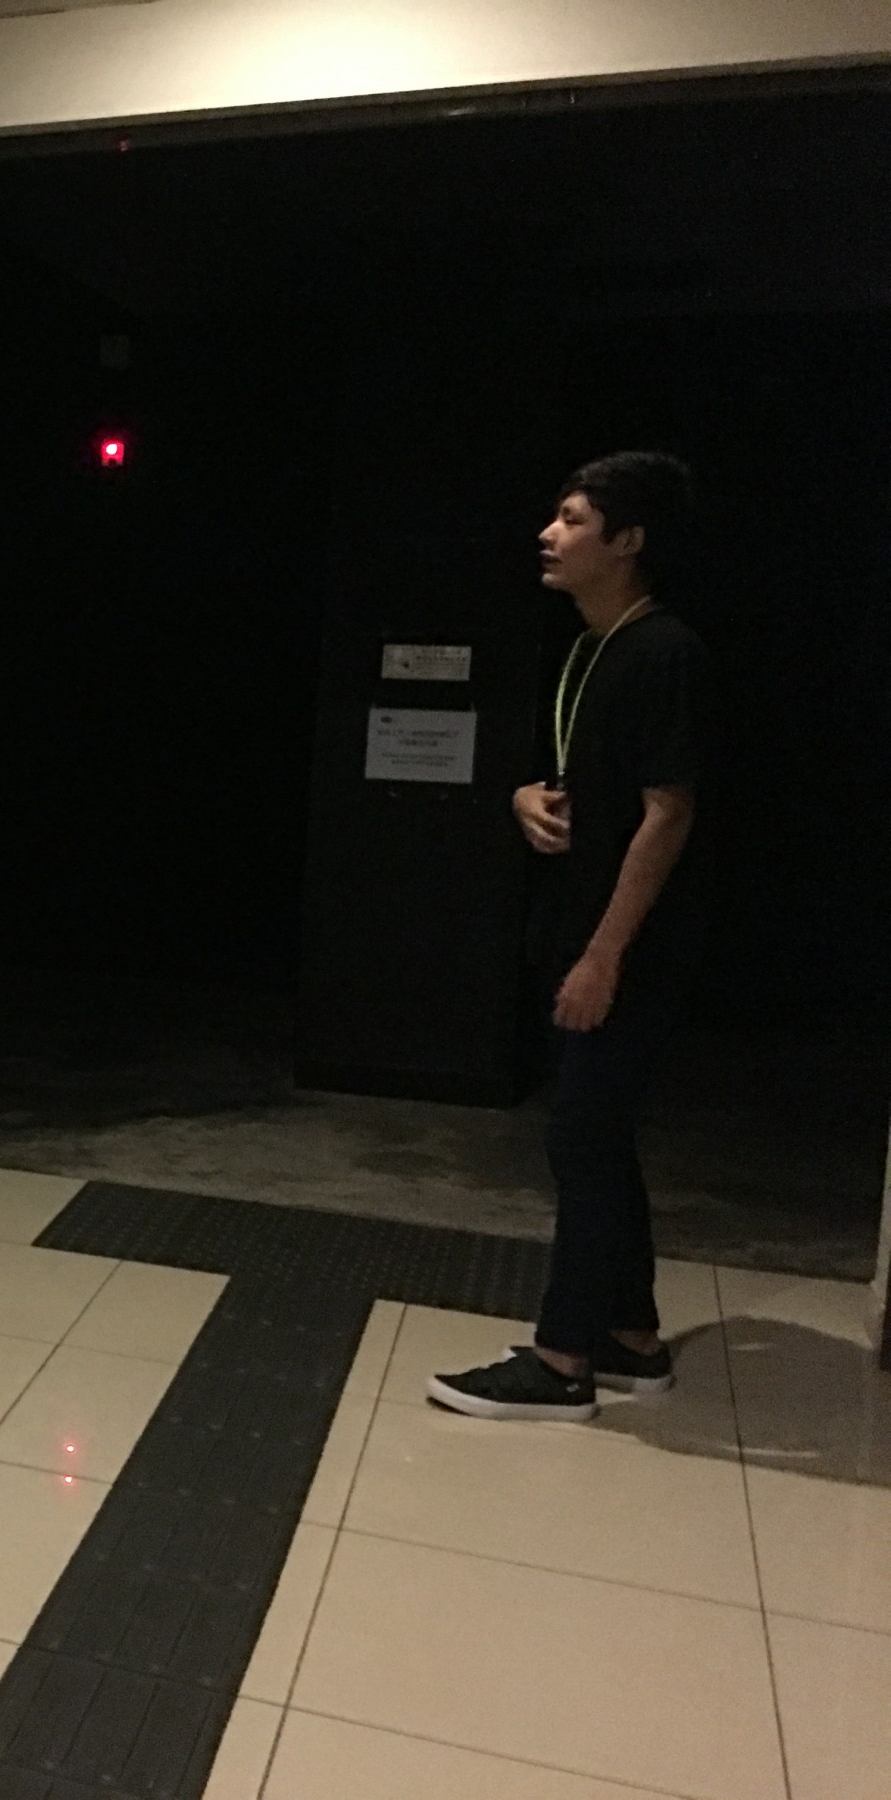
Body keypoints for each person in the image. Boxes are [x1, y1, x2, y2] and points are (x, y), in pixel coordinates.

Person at [428, 452, 705, 1424]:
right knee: (598, 1138)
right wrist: (524, 796)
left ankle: (562, 1361)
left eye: (575, 520)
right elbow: (577, 778)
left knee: (581, 1141)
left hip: (625, 944)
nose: (550, 535)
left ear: (628, 541)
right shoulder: (591, 648)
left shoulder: (663, 651)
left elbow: (669, 812)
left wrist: (603, 955)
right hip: (578, 923)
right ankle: (629, 1335)